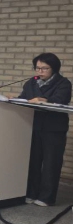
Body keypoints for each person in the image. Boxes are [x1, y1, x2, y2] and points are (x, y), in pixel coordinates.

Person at [18, 53, 72, 206]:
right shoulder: (31, 82)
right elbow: (24, 98)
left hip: (53, 128)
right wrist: (13, 99)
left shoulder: (63, 83)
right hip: (34, 126)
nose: (40, 71)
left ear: (54, 68)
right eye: (37, 68)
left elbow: (61, 100)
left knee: (51, 162)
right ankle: (30, 193)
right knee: (33, 161)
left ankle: (46, 197)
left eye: (44, 68)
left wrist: (44, 100)